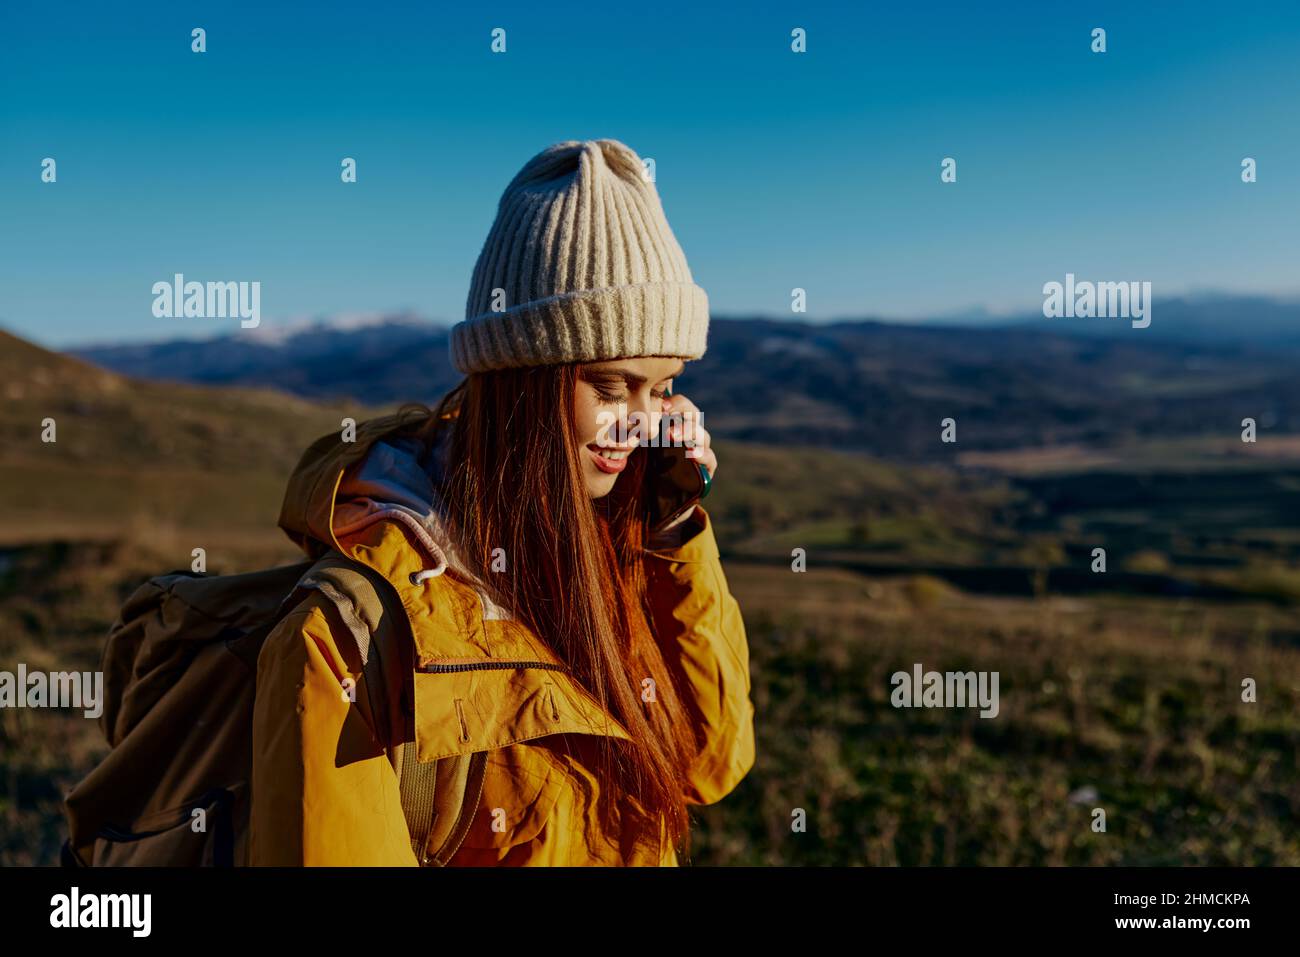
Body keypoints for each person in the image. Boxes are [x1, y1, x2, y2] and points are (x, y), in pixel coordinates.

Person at [249, 138, 756, 866]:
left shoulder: (611, 545)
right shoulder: (347, 638)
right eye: (611, 388)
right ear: (522, 383)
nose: (646, 424)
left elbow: (710, 763)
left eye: (664, 386)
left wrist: (672, 538)